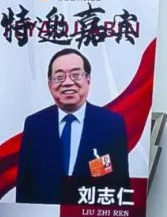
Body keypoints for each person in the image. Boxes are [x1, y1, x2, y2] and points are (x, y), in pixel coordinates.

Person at [16, 48, 130, 204]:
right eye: (59, 77)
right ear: (50, 84)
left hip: (91, 215)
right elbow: (24, 187)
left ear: (88, 79)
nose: (68, 82)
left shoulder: (111, 124)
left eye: (76, 75)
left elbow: (120, 183)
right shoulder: (34, 125)